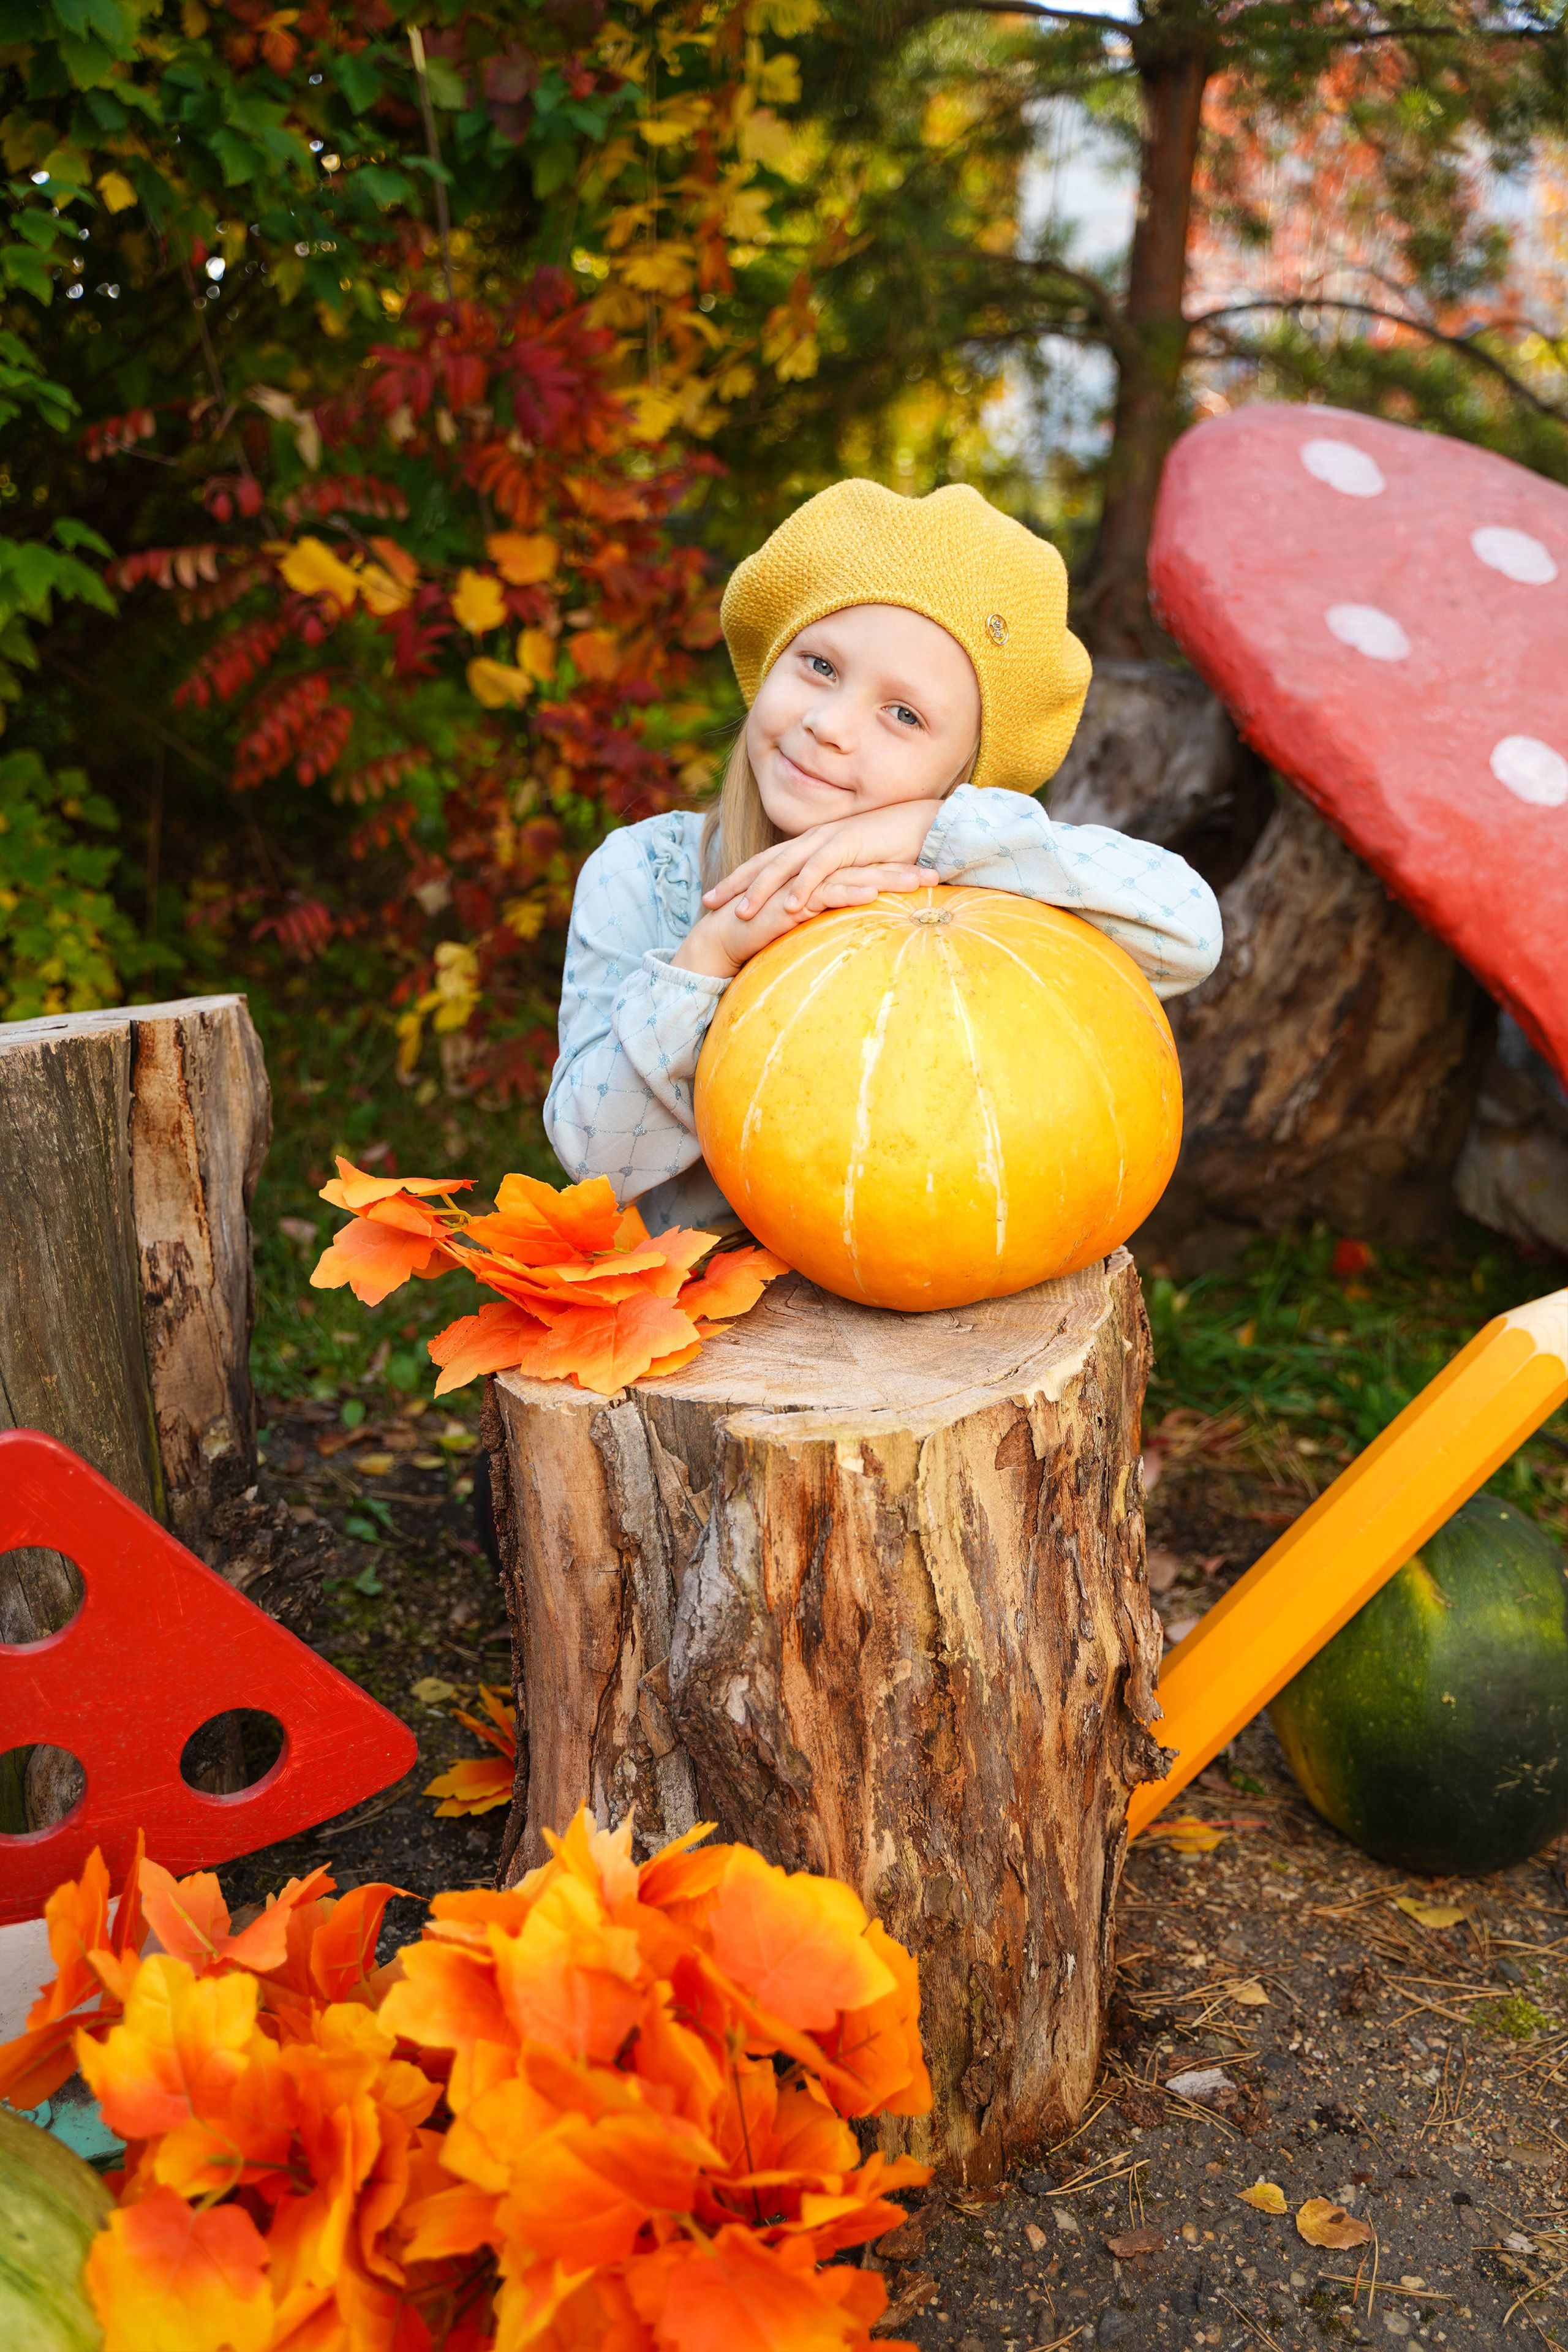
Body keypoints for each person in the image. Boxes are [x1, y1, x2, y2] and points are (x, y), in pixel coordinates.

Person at [544, 477, 1221, 1234]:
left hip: (921, 1279)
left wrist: (926, 832)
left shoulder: (970, 892)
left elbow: (1187, 934)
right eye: (820, 666)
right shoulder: (643, 874)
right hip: (696, 1313)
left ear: (960, 776)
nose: (832, 724)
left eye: (903, 715)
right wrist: (706, 953)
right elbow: (593, 1159)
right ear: (770, 663)